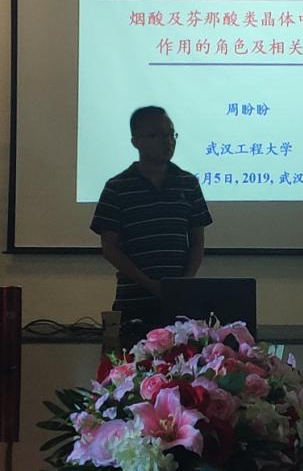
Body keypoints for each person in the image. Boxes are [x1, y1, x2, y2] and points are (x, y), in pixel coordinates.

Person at [90, 106, 212, 322]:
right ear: (136, 141)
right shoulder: (117, 187)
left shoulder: (188, 183)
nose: (168, 141)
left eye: (171, 134)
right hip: (133, 302)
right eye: (158, 135)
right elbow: (110, 249)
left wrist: (182, 284)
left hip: (179, 302)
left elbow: (197, 242)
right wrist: (151, 285)